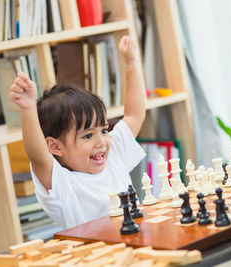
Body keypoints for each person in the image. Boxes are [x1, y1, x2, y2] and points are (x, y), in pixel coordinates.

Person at [9, 36, 146, 229]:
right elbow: (37, 154)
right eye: (88, 135)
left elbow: (134, 115)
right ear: (55, 146)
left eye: (104, 130)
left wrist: (132, 64)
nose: (101, 142)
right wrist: (27, 107)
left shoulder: (113, 155)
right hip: (96, 257)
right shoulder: (62, 183)